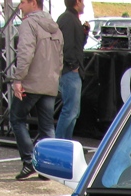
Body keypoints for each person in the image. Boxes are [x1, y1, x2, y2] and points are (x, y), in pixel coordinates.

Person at [10, 0, 63, 180]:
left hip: (31, 82)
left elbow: (25, 53)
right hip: (50, 82)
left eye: (23, 2)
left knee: (16, 118)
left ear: (33, 3)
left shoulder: (29, 24)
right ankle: (48, 167)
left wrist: (18, 78)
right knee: (47, 125)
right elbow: (60, 57)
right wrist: (55, 76)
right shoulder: (54, 27)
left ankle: (29, 161)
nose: (20, 6)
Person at [55, 0, 89, 140]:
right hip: (70, 71)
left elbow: (76, 44)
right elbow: (67, 46)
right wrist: (73, 66)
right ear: (77, 2)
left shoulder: (70, 19)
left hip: (70, 70)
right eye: (82, 1)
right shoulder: (68, 19)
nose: (84, 5)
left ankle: (65, 142)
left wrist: (84, 33)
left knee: (73, 112)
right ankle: (59, 142)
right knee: (70, 111)